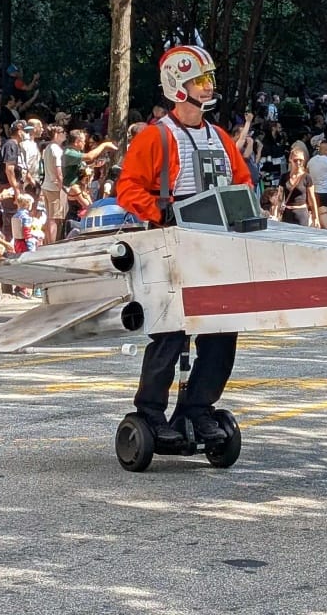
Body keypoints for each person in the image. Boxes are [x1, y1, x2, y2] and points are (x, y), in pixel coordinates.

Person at [115, 44, 253, 446]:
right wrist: (162, 211)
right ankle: (151, 413)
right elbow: (128, 189)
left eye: (209, 80)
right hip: (171, 246)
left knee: (222, 330)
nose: (209, 87)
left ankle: (198, 408)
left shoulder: (220, 137)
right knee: (171, 332)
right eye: (200, 81)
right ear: (179, 86)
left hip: (216, 247)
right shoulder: (156, 137)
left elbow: (242, 182)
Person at [279, 148, 320, 226]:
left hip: (301, 213)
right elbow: (279, 198)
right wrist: (276, 214)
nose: (298, 162)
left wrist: (316, 217)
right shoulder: (284, 177)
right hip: (287, 213)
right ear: (290, 160)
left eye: (300, 160)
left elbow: (312, 198)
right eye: (295, 160)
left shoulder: (307, 177)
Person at [40, 124, 68, 243]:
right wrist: (62, 186)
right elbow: (59, 169)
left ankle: (47, 241)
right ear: (56, 134)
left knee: (49, 217)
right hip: (55, 187)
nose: (65, 135)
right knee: (54, 218)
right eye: (63, 133)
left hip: (46, 185)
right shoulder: (56, 149)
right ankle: (52, 243)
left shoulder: (47, 148)